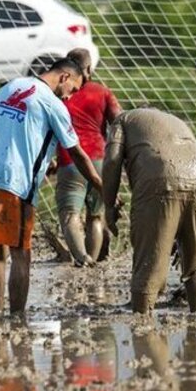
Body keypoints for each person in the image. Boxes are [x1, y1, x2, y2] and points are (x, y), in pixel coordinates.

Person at [0, 58, 102, 314]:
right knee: (21, 255)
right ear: (64, 78)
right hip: (16, 183)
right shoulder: (52, 103)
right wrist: (101, 185)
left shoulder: (11, 86)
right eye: (73, 90)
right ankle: (17, 320)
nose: (70, 97)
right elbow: (77, 153)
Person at [101, 107, 196, 313]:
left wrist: (108, 204)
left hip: (160, 178)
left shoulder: (121, 121)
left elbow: (112, 161)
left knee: (149, 259)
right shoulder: (175, 120)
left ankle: (142, 324)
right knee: (195, 255)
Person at [56, 47, 122, 266]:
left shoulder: (61, 92)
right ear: (89, 68)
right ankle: (92, 261)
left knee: (69, 214)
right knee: (96, 216)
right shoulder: (103, 92)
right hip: (100, 159)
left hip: (70, 160)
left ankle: (82, 259)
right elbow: (119, 123)